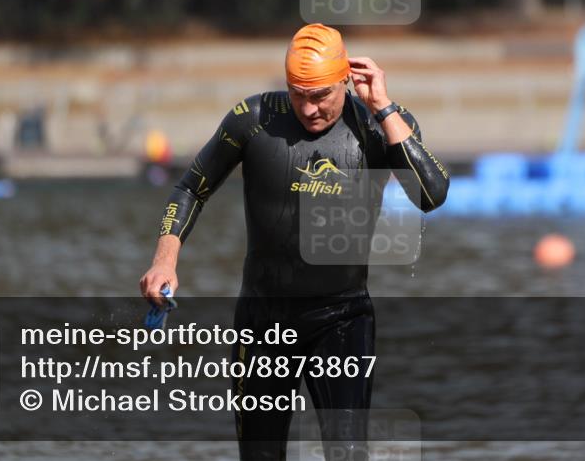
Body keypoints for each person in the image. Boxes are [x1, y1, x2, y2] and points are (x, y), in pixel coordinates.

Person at [140, 23, 449, 460]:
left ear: (346, 78)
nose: (309, 108)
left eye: (321, 94)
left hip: (342, 317)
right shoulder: (253, 119)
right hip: (262, 318)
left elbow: (431, 194)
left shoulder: (379, 126)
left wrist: (382, 105)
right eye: (298, 93)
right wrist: (164, 261)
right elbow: (192, 186)